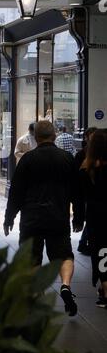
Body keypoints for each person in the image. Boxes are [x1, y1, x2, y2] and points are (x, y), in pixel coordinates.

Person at [4, 120, 82, 316]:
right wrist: (79, 217)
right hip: (58, 216)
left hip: (32, 217)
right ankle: (65, 285)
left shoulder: (28, 160)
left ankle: (35, 295)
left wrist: (9, 218)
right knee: (64, 255)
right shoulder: (67, 158)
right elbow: (77, 191)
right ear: (54, 135)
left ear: (35, 137)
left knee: (31, 258)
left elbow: (16, 192)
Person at [75, 129, 107, 308]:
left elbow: (79, 198)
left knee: (102, 253)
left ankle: (104, 288)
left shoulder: (86, 170)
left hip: (96, 217)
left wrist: (78, 220)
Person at [74, 127, 97, 255]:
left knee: (92, 219)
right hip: (87, 193)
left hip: (90, 194)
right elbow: (78, 178)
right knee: (91, 218)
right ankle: (84, 243)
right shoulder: (82, 155)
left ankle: (84, 243)